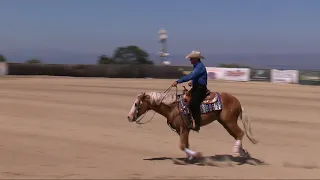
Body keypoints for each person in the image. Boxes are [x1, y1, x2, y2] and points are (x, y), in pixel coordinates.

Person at [171, 50, 208, 132]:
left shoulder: (199, 67)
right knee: (184, 99)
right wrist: (193, 82)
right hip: (196, 87)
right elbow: (196, 77)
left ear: (196, 59)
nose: (190, 60)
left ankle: (197, 124)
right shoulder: (196, 66)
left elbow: (191, 75)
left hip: (200, 89)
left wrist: (178, 81)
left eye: (191, 58)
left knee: (193, 103)